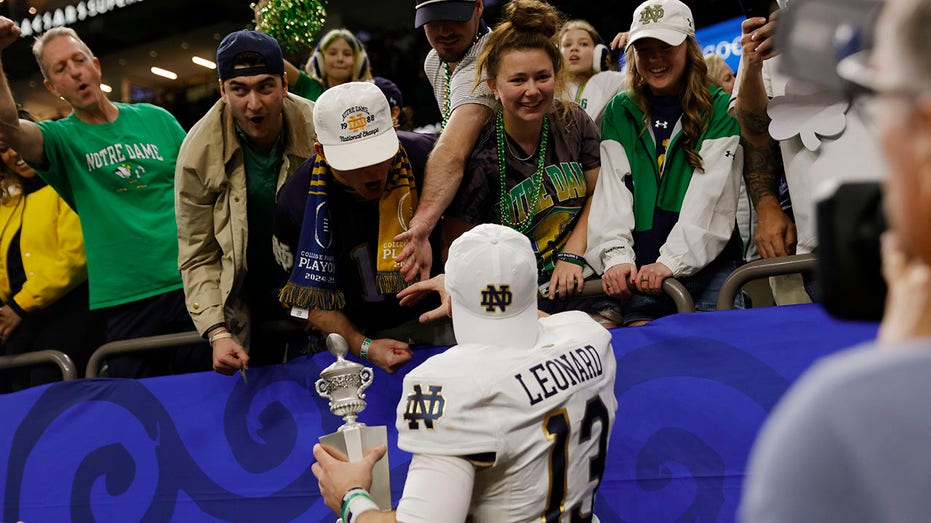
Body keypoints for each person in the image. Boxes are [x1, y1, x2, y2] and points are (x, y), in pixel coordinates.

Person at [739, 1, 931, 519]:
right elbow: (755, 127)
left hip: (901, 234)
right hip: (826, 249)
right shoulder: (775, 26)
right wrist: (765, 202)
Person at [312, 223, 618, 522]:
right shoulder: (588, 334)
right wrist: (476, 291)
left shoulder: (452, 384)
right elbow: (538, 320)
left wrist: (350, 497)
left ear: (451, 301)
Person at [0, 22, 209, 378]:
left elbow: (204, 193)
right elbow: (8, 128)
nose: (75, 72)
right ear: (53, 88)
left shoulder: (158, 119)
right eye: (61, 70)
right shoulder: (60, 141)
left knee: (214, 399)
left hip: (193, 286)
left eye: (78, 60)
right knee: (142, 417)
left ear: (95, 65)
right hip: (127, 302)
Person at [443, 0, 618, 326]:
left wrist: (572, 255)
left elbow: (597, 193)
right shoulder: (481, 154)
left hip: (583, 277)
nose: (533, 91)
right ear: (493, 86)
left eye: (542, 77)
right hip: (514, 298)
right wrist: (513, 308)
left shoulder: (575, 122)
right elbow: (457, 248)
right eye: (518, 80)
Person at [275, 81, 451, 374]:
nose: (371, 171)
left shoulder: (430, 158)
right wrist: (362, 345)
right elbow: (300, 298)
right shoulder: (296, 202)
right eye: (354, 160)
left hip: (443, 318)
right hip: (358, 336)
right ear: (322, 151)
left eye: (377, 154)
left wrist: (456, 276)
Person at [586, 0, 743, 325]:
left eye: (666, 46)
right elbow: (611, 193)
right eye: (644, 48)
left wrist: (672, 261)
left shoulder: (719, 108)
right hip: (642, 270)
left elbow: (712, 198)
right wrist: (615, 256)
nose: (655, 58)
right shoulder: (619, 110)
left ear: (689, 47)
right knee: (649, 367)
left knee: (716, 363)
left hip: (712, 272)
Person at [175, 30, 316, 376]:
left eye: (265, 86)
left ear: (285, 84)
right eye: (239, 89)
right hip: (248, 304)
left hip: (323, 294)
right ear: (222, 91)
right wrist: (216, 331)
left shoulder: (318, 128)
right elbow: (197, 252)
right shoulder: (197, 154)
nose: (254, 104)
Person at [732, 1, 883, 285]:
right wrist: (767, 207)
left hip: (901, 219)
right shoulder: (775, 15)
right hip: (820, 237)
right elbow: (754, 127)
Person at [392, 0, 498, 284]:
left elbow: (453, 150)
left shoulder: (491, 57)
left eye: (454, 17)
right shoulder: (433, 60)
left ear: (478, 8)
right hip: (477, 192)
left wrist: (422, 224)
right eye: (433, 20)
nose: (444, 30)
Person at [0, 108, 97, 392]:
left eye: (19, 140)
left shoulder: (67, 187)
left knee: (48, 394)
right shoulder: (9, 203)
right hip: (19, 321)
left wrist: (20, 304)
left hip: (66, 314)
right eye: (5, 148)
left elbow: (76, 258)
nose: (15, 153)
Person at [558, 19, 627, 127]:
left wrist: (635, 41)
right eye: (567, 44)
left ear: (598, 53)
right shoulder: (549, 86)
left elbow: (638, 80)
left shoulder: (609, 81)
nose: (574, 48)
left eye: (583, 44)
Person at [284, 28, 373, 102]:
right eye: (332, 53)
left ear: (359, 61)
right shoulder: (309, 86)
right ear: (320, 60)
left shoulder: (370, 92)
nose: (340, 59)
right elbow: (275, 58)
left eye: (347, 54)